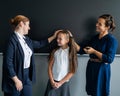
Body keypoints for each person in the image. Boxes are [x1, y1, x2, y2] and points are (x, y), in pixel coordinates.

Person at [2, 15, 58, 96]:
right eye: (28, 25)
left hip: (26, 76)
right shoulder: (11, 41)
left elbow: (40, 44)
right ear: (21, 24)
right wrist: (16, 80)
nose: (29, 28)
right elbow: (8, 63)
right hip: (14, 77)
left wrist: (54, 37)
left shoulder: (27, 40)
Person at [76, 14, 118, 96]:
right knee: (92, 91)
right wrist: (70, 40)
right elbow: (82, 50)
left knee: (100, 92)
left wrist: (94, 51)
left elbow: (109, 59)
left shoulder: (111, 40)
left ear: (107, 27)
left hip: (101, 69)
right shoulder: (94, 38)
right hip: (91, 67)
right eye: (97, 23)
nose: (96, 25)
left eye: (100, 24)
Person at [44, 30, 78, 96]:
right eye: (57, 38)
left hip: (64, 83)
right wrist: (52, 81)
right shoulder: (55, 52)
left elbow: (72, 71)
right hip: (52, 82)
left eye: (60, 39)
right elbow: (49, 67)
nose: (57, 40)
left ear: (67, 40)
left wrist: (60, 83)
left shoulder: (71, 53)